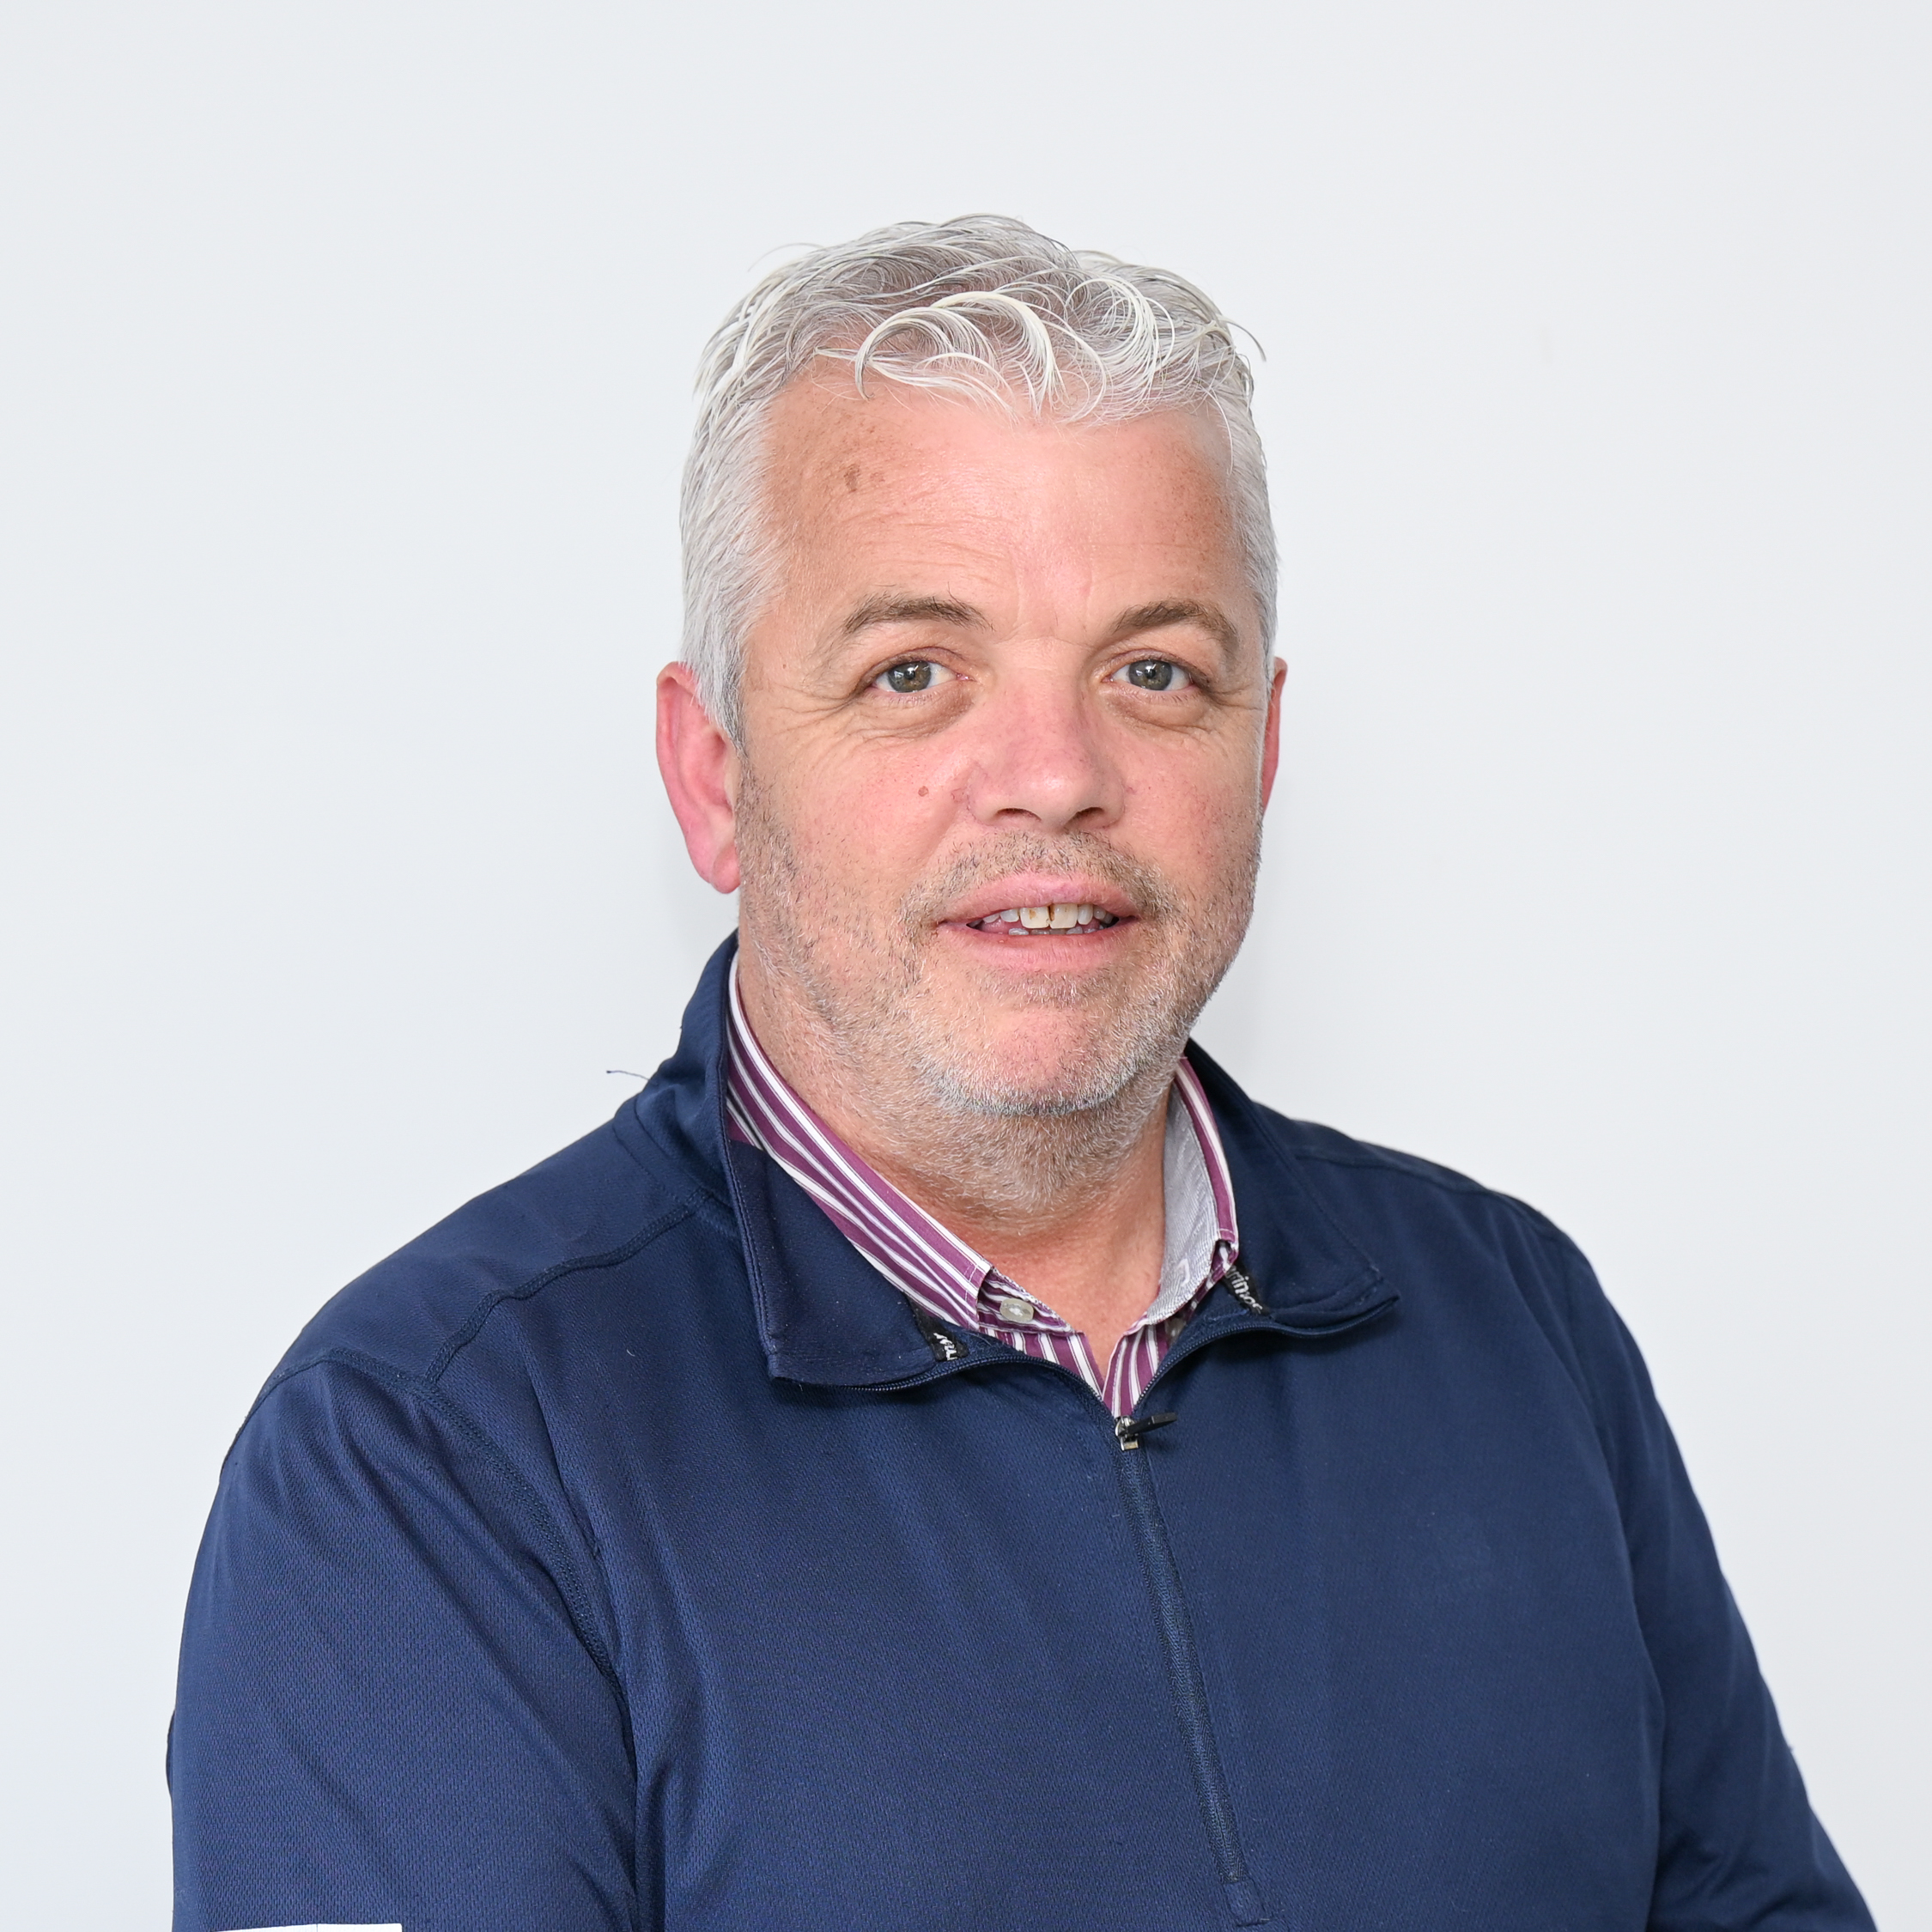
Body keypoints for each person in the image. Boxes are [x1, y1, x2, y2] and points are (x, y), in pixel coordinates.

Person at [169, 216, 1872, 1932]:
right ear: (715, 773)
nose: (1054, 775)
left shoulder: (1512, 1323)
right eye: (913, 673)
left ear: (1260, 748)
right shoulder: (428, 1454)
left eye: (1153, 672)